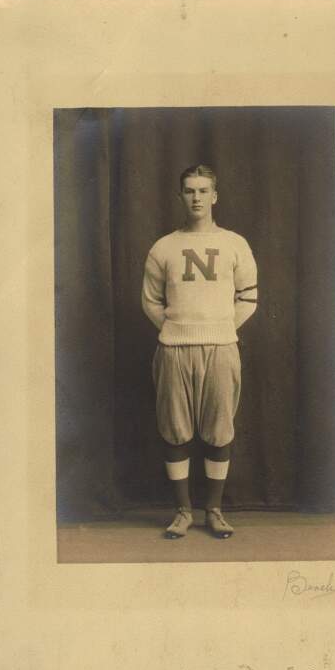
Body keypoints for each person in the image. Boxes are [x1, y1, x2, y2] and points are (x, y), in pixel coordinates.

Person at [141, 164, 258, 539]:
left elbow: (249, 298)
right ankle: (183, 511)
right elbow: (150, 302)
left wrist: (220, 330)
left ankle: (214, 510)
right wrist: (178, 329)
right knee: (175, 431)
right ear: (181, 196)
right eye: (189, 191)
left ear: (215, 196)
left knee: (219, 430)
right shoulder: (164, 247)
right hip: (174, 349)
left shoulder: (235, 244)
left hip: (222, 348)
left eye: (203, 191)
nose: (196, 198)